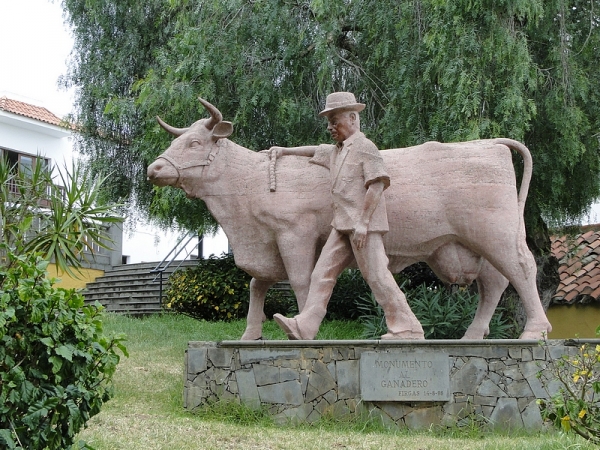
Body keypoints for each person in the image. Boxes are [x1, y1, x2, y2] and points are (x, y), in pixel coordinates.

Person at [271, 92, 424, 340]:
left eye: (334, 120)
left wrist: (363, 223)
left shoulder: (366, 147)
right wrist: (285, 150)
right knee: (322, 274)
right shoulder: (337, 151)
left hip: (363, 226)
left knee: (377, 275)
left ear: (353, 118)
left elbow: (377, 185)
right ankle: (305, 326)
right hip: (342, 225)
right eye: (328, 122)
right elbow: (315, 151)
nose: (330, 127)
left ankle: (408, 328)